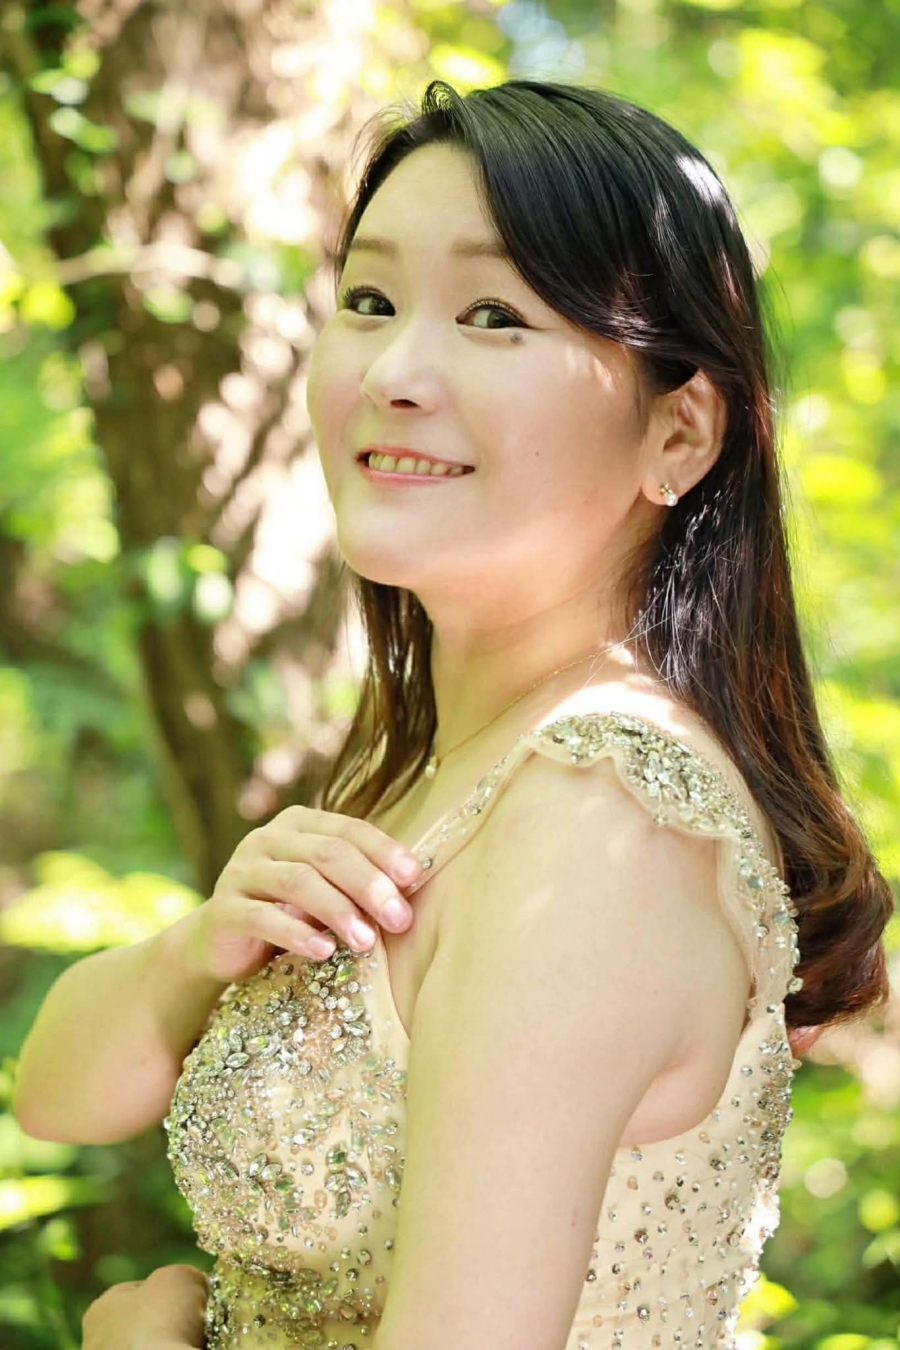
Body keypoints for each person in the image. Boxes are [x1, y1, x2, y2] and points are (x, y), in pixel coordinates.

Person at [16, 79, 893, 1350]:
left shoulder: (602, 818)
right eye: (370, 301)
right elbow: (54, 1094)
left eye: (494, 315)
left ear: (679, 432)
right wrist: (197, 949)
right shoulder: (450, 767)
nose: (395, 373)